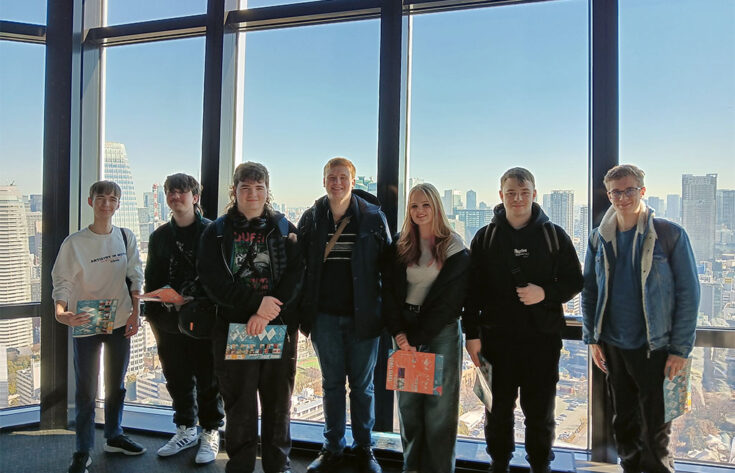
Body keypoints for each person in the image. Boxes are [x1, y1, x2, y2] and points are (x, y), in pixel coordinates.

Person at [464, 168, 583, 473]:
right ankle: (499, 463)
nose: (518, 198)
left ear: (534, 194)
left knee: (540, 412)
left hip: (541, 340)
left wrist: (544, 293)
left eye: (524, 192)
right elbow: (471, 291)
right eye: (511, 193)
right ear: (501, 195)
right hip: (495, 340)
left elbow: (574, 281)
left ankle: (540, 465)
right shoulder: (485, 237)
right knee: (497, 410)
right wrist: (472, 334)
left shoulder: (553, 235)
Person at [582, 164, 699, 473]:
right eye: (616, 192)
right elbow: (590, 291)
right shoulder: (599, 238)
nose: (623, 198)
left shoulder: (669, 234)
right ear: (608, 195)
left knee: (657, 432)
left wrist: (680, 350)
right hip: (614, 347)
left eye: (629, 190)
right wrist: (593, 339)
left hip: (656, 348)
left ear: (642, 191)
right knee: (625, 427)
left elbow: (689, 293)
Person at [197, 162, 304, 473]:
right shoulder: (215, 233)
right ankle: (240, 466)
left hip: (277, 328)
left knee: (278, 404)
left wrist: (269, 311)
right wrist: (256, 307)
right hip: (233, 328)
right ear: (235, 191)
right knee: (239, 404)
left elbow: (297, 276)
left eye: (259, 188)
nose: (252, 193)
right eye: (246, 187)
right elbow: (213, 281)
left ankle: (277, 465)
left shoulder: (285, 229)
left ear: (267, 191)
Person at [298, 157, 391, 473]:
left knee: (363, 388)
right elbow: (300, 268)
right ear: (323, 181)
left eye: (343, 178)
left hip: (363, 319)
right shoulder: (312, 219)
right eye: (331, 177)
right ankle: (332, 447)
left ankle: (364, 448)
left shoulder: (373, 218)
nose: (336, 183)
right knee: (332, 385)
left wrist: (390, 316)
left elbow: (389, 269)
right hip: (323, 318)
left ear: (353, 181)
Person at [52, 181, 146, 473]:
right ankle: (82, 449)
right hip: (87, 320)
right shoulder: (74, 243)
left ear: (118, 204)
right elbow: (62, 281)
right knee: (86, 388)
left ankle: (114, 435)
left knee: (116, 385)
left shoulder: (125, 236)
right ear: (91, 202)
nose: (107, 204)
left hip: (118, 320)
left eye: (113, 199)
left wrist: (135, 314)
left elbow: (135, 277)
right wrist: (60, 312)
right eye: (101, 199)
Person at [383, 183, 469, 473]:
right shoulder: (399, 244)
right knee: (408, 408)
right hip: (404, 330)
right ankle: (412, 467)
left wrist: (415, 338)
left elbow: (450, 302)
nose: (419, 211)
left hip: (441, 332)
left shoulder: (454, 246)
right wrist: (399, 334)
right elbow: (390, 293)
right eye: (414, 206)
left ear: (436, 208)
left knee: (439, 411)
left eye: (426, 205)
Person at [143, 173, 224, 464]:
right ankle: (186, 428)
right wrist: (151, 316)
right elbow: (151, 278)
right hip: (167, 322)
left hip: (204, 320)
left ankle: (211, 430)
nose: (176, 197)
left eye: (181, 192)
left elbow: (220, 278)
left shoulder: (213, 232)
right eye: (171, 193)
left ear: (195, 197)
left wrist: (192, 297)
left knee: (208, 376)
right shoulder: (159, 237)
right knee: (176, 377)